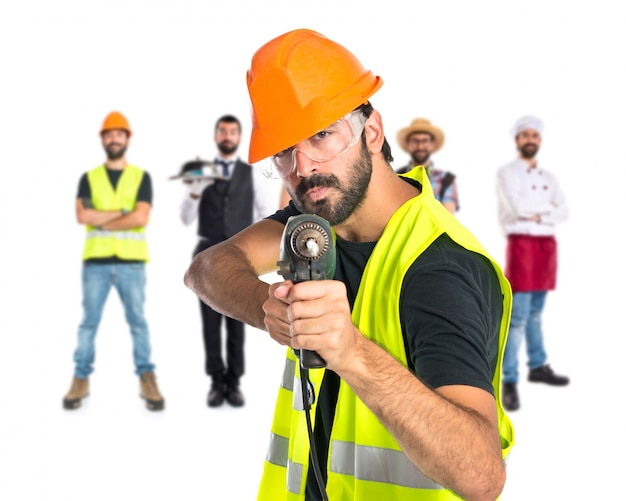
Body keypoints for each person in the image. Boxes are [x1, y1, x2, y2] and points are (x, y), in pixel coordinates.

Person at [184, 29, 514, 500]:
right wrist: (266, 308)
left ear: (372, 131)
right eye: (284, 150)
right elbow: (208, 268)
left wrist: (351, 351)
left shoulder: (439, 269)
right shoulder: (317, 224)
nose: (303, 168)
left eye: (321, 135)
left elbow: (482, 477)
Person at [63, 111, 164, 411]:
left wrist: (102, 219)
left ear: (126, 138)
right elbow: (83, 216)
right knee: (88, 323)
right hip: (95, 263)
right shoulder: (89, 178)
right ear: (103, 139)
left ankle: (147, 377)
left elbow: (141, 216)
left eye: (119, 133)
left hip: (131, 264)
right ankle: (80, 379)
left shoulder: (140, 177)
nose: (114, 138)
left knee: (137, 322)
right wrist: (122, 213)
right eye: (109, 134)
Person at [176, 114, 272, 408]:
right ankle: (216, 381)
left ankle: (234, 381)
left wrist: (249, 244)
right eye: (223, 131)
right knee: (209, 322)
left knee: (237, 318)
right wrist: (195, 189)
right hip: (206, 251)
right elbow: (185, 217)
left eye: (232, 131)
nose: (227, 136)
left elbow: (265, 213)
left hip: (237, 254)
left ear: (239, 137)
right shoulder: (202, 172)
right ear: (217, 137)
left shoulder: (251, 173)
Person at [496, 115, 570, 412]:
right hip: (523, 246)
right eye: (526, 135)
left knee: (537, 312)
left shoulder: (549, 177)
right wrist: (546, 210)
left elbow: (564, 211)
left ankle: (538, 364)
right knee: (518, 317)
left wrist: (539, 215)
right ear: (517, 140)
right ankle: (510, 379)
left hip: (546, 247)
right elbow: (517, 207)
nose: (531, 140)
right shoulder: (507, 172)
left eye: (535, 136)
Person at [396, 118, 459, 213]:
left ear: (432, 144)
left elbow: (448, 219)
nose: (420, 146)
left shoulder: (446, 180)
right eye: (415, 141)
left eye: (425, 141)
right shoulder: (397, 177)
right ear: (408, 144)